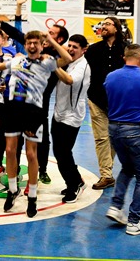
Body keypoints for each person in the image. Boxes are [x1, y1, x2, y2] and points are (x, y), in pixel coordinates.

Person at [0, 30, 71, 217]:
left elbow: (67, 58)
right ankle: (13, 190)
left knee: (31, 154)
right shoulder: (16, 60)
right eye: (29, 42)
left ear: (41, 44)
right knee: (10, 151)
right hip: (13, 109)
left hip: (34, 112)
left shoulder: (47, 62)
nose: (31, 46)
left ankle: (33, 197)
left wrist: (51, 41)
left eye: (35, 43)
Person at [104, 44, 140, 236]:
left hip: (114, 129)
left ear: (124, 57)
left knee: (128, 168)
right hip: (136, 130)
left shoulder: (111, 77)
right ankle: (134, 222)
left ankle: (115, 206)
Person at [84, 16, 127, 190]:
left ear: (116, 28)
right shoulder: (93, 49)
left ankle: (107, 172)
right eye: (102, 24)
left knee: (115, 138)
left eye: (108, 24)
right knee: (101, 138)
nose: (103, 26)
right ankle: (106, 175)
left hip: (119, 101)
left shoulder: (126, 49)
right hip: (96, 98)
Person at [51, 34, 91, 203]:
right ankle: (76, 181)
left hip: (72, 116)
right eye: (70, 46)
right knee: (60, 152)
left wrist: (51, 65)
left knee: (63, 152)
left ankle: (74, 185)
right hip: (58, 112)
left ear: (84, 50)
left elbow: (69, 80)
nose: (71, 49)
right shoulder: (67, 61)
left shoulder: (82, 66)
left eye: (75, 47)